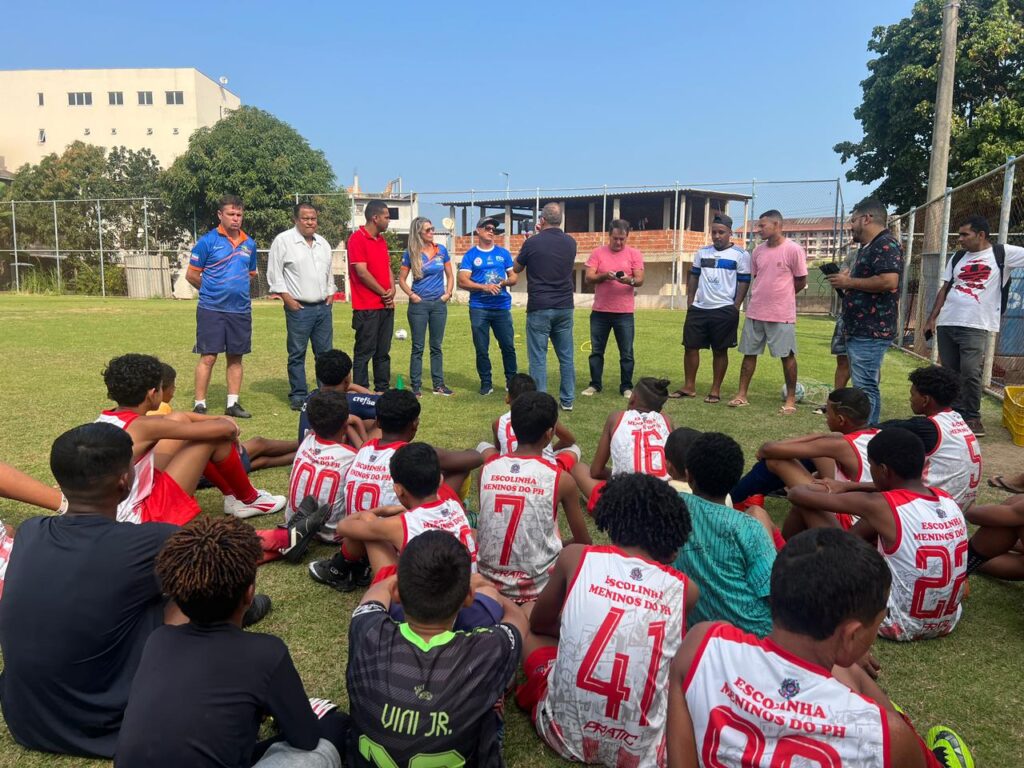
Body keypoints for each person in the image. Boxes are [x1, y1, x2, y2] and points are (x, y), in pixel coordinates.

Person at [666, 527, 973, 768]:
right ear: (851, 636)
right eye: (879, 621)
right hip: (891, 735)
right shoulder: (886, 739)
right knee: (881, 711)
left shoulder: (702, 644)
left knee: (849, 675)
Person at [0, 423, 178, 758]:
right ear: (124, 480)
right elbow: (223, 561)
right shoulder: (151, 542)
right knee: (194, 591)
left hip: (27, 722)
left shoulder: (31, 531)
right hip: (112, 725)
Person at [115, 517, 349, 768]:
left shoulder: (157, 640)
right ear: (249, 593)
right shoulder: (267, 653)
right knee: (333, 728)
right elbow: (307, 738)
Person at [516, 473, 698, 767]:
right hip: (642, 753)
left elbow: (539, 623)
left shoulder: (575, 557)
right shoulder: (685, 589)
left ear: (611, 519)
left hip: (563, 735)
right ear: (671, 534)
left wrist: (576, 630)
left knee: (526, 615)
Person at [345, 531, 528, 768]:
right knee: (503, 681)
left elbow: (375, 593)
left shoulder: (367, 630)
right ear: (468, 598)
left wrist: (398, 580)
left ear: (398, 592)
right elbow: (518, 619)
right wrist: (487, 587)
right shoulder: (486, 650)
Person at [788, 428, 968, 642]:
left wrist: (836, 488)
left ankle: (783, 561)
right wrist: (851, 486)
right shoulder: (947, 499)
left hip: (897, 623)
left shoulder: (880, 505)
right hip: (946, 621)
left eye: (871, 466)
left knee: (807, 507)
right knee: (875, 528)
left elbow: (797, 494)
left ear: (883, 470)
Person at [308, 389, 482, 591]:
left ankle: (342, 566)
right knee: (459, 470)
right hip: (397, 540)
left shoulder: (364, 448)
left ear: (378, 422)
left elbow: (346, 526)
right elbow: (474, 458)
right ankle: (461, 513)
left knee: (371, 524)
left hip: (359, 535)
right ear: (415, 424)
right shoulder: (416, 455)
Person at [97, 353, 285, 522]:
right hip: (139, 518)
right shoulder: (144, 427)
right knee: (211, 437)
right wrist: (227, 426)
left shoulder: (107, 420)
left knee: (182, 421)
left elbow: (179, 418)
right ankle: (248, 499)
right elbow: (224, 431)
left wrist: (216, 418)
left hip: (117, 506)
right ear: (152, 394)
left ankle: (234, 497)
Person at [477, 391, 591, 602]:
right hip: (536, 591)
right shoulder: (560, 479)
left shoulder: (487, 470)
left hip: (487, 584)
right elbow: (584, 542)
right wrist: (559, 546)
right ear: (549, 434)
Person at [925, 215, 1024, 436]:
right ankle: (954, 414)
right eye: (959, 234)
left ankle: (972, 416)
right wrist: (932, 318)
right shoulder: (959, 256)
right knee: (950, 371)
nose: (960, 239)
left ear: (981, 235)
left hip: (976, 323)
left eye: (964, 234)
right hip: (948, 320)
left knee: (970, 370)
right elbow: (945, 288)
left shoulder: (1002, 253)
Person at [674, 432, 777, 636]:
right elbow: (776, 592)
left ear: (689, 476)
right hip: (759, 635)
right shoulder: (749, 528)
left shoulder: (671, 507)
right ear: (736, 479)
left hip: (702, 636)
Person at [732, 388, 877, 533]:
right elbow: (822, 441)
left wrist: (765, 449)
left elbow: (769, 449)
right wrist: (820, 436)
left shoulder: (841, 445)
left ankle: (734, 498)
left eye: (827, 412)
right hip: (868, 513)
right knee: (819, 452)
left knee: (778, 462)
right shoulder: (878, 434)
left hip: (849, 523)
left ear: (840, 420)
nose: (825, 417)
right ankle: (745, 496)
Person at [335, 442, 477, 577]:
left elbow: (342, 527)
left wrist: (382, 511)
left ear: (398, 490)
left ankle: (339, 568)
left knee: (367, 519)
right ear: (440, 479)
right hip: (463, 589)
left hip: (423, 598)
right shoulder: (454, 505)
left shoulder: (400, 524)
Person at [825, 197, 903, 426]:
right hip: (860, 327)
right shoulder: (868, 248)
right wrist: (848, 281)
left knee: (865, 386)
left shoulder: (885, 244)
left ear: (867, 218)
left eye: (853, 220)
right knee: (863, 384)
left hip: (871, 329)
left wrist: (849, 283)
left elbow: (889, 281)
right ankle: (867, 433)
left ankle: (867, 435)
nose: (851, 226)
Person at [728, 210, 807, 414]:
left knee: (787, 356)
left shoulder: (794, 250)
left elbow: (800, 281)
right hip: (755, 312)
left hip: (781, 314)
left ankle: (790, 399)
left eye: (763, 226)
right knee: (749, 354)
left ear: (777, 225)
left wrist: (782, 297)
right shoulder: (757, 251)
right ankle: (741, 395)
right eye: (758, 226)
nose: (758, 229)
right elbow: (758, 277)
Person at [187, 194, 258, 418]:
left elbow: (251, 274)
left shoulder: (250, 243)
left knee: (236, 356)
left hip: (240, 310)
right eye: (231, 214)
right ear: (220, 215)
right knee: (208, 356)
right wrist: (212, 291)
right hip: (212, 309)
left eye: (239, 214)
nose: (236, 218)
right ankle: (200, 404)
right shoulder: (207, 241)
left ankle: (233, 403)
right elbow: (192, 274)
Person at [673, 213, 751, 403]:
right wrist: (690, 301)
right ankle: (689, 386)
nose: (717, 236)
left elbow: (744, 281)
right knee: (690, 347)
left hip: (724, 309)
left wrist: (736, 306)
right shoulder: (702, 252)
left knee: (720, 350)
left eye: (721, 232)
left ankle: (715, 390)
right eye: (714, 232)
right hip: (699, 308)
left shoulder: (741, 255)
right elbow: (694, 276)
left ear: (730, 233)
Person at [267, 202, 337, 411]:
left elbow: (329, 272)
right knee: (297, 353)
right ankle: (298, 395)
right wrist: (287, 299)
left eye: (313, 218)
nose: (310, 222)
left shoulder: (322, 243)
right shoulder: (284, 241)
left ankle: (325, 393)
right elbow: (275, 273)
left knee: (325, 355)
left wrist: (331, 293)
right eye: (305, 218)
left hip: (322, 308)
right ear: (296, 220)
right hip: (299, 308)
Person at [570, 377, 673, 513]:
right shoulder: (667, 420)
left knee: (579, 468)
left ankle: (607, 508)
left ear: (632, 398)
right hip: (662, 500)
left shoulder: (616, 417)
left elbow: (596, 471)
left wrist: (621, 474)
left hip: (624, 502)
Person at [885, 365, 981, 511]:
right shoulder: (956, 418)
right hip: (960, 506)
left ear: (925, 400)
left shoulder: (928, 427)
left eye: (912, 394)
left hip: (935, 507)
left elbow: (878, 429)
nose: (910, 399)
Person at [514, 202, 578, 410]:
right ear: (560, 220)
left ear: (542, 220)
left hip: (540, 306)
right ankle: (567, 400)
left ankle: (540, 402)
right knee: (566, 356)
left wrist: (530, 240)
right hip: (564, 305)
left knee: (538, 358)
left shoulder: (532, 243)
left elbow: (517, 268)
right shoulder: (570, 242)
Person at [286, 391, 361, 550]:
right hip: (332, 534)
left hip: (293, 520)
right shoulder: (352, 457)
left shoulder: (307, 441)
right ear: (345, 425)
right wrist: (358, 424)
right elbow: (365, 455)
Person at [582, 218, 644, 398]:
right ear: (609, 236)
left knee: (626, 353)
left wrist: (629, 280)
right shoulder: (598, 253)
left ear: (627, 237)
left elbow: (640, 280)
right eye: (615, 238)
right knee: (596, 352)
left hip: (624, 313)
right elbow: (588, 278)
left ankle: (626, 386)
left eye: (622, 239)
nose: (618, 242)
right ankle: (594, 384)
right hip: (600, 311)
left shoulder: (634, 254)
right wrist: (604, 276)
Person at [457, 216, 518, 396]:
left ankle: (511, 382)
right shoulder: (471, 255)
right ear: (478, 230)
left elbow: (514, 277)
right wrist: (484, 287)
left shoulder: (503, 253)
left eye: (494, 229)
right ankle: (486, 382)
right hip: (479, 308)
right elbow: (462, 281)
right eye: (488, 227)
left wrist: (505, 282)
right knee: (482, 348)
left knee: (508, 346)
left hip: (501, 307)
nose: (491, 231)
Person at [397, 216, 455, 396]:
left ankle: (439, 385)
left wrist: (448, 294)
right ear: (419, 233)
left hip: (439, 304)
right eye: (428, 230)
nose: (432, 232)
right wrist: (412, 295)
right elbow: (401, 279)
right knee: (418, 347)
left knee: (436, 346)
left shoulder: (441, 250)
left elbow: (450, 275)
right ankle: (416, 387)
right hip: (419, 307)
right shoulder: (411, 253)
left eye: (432, 228)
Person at [347, 200, 395, 392]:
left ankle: (382, 389)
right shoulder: (357, 239)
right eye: (387, 217)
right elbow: (361, 272)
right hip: (367, 307)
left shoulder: (381, 240)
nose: (389, 221)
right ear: (375, 218)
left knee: (383, 351)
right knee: (364, 352)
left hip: (386, 306)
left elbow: (387, 267)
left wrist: (392, 288)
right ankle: (361, 392)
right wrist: (383, 293)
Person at [492, 373, 579, 470]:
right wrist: (551, 450)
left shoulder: (498, 422)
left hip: (510, 469)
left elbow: (498, 448)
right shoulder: (545, 414)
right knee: (574, 449)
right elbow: (569, 440)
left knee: (485, 447)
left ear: (508, 398)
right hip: (544, 470)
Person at [297, 349, 378, 441]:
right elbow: (388, 404)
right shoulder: (347, 401)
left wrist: (351, 386)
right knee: (384, 423)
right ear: (347, 377)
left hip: (307, 448)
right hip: (330, 452)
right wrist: (373, 394)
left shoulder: (311, 395)